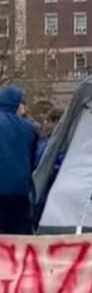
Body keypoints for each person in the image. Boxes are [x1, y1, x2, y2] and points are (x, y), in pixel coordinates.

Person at [0, 86, 38, 234]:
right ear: (17, 104)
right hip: (19, 191)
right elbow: (33, 158)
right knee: (19, 236)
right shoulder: (28, 128)